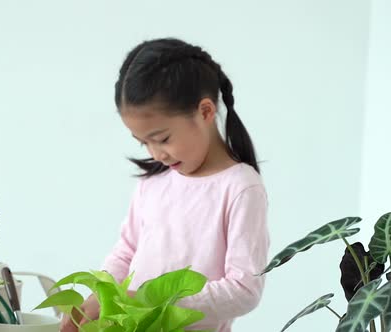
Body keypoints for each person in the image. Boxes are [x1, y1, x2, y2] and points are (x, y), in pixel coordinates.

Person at [61, 37, 270, 332]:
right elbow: (125, 251)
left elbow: (244, 290)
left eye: (162, 139)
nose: (155, 154)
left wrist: (148, 302)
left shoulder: (240, 188)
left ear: (206, 112)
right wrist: (102, 294)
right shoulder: (154, 182)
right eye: (143, 142)